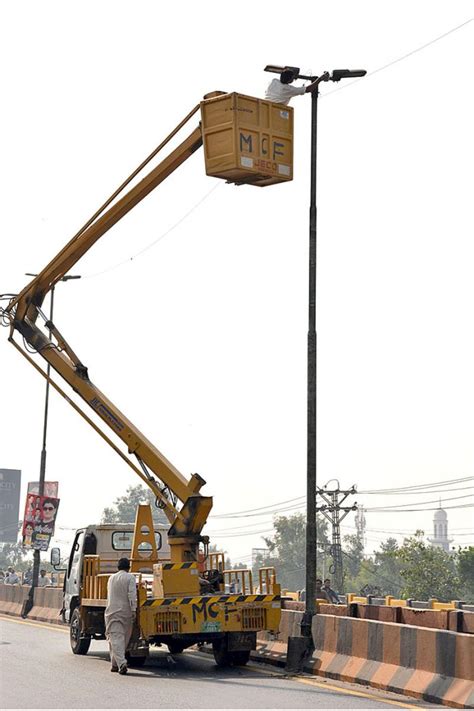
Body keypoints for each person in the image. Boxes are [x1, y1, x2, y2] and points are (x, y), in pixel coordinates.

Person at [105, 557, 137, 675]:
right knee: (122, 640)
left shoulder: (111, 578)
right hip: (126, 612)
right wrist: (133, 610)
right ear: (129, 567)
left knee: (115, 638)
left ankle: (116, 663)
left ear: (118, 567)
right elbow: (132, 595)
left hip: (112, 612)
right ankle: (120, 663)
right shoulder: (130, 578)